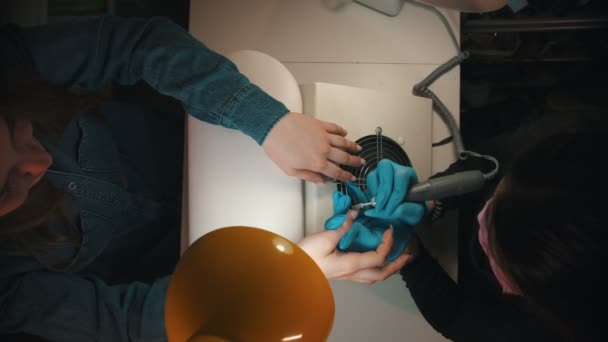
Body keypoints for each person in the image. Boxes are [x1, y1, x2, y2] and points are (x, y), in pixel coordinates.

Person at [0, 15, 406, 341]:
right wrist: (285, 280)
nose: (38, 162)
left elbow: (139, 44)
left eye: (19, 127)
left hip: (189, 142)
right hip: (179, 267)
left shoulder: (9, 62)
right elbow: (125, 322)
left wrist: (269, 122)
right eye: (7, 186)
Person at [334, 114, 607, 341]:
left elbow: (456, 317)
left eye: (493, 244)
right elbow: (487, 164)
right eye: (494, 200)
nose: (480, 218)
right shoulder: (565, 149)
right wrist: (430, 201)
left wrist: (411, 258)